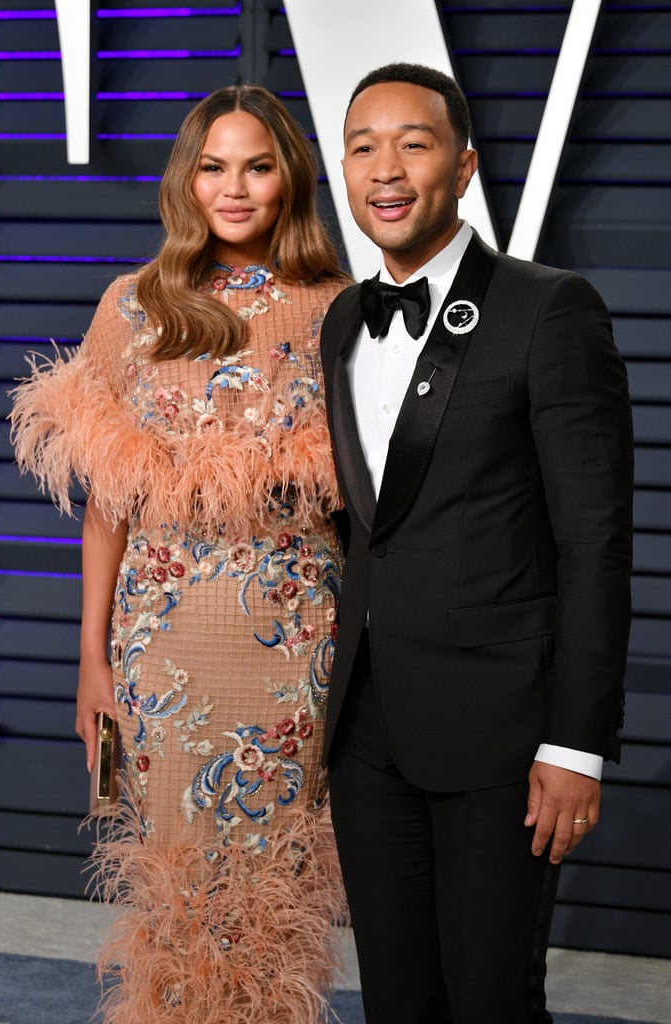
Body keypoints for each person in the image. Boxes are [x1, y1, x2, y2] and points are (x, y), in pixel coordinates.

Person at [11, 85, 350, 1024]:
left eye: (257, 165)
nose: (233, 188)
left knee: (276, 884)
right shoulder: (131, 308)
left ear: (290, 179)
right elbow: (106, 506)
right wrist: (91, 662)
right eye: (212, 166)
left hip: (295, 645)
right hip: (160, 644)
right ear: (184, 179)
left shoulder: (338, 309)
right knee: (175, 885)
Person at [319, 63, 633, 1024]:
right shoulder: (340, 319)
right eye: (365, 146)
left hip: (502, 732)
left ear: (461, 166)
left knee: (492, 1000)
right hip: (367, 728)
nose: (387, 169)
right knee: (398, 1000)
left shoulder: (549, 307)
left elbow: (594, 540)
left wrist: (577, 744)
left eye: (412, 143)